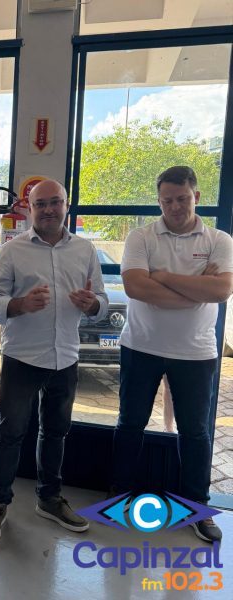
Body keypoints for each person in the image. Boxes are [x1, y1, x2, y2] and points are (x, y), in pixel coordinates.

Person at [0, 179, 108, 543]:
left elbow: (100, 302)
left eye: (55, 202)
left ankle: (49, 499)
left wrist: (93, 305)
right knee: (10, 433)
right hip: (22, 357)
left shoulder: (85, 250)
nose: (48, 209)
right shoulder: (12, 251)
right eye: (40, 204)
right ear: (30, 209)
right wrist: (20, 304)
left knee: (56, 432)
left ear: (66, 205)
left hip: (65, 357)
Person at [111, 165, 233, 544]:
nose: (175, 206)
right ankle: (119, 498)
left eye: (182, 198)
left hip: (196, 352)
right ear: (159, 200)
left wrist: (161, 277)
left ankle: (196, 507)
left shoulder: (219, 240)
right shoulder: (141, 237)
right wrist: (197, 287)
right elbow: (136, 287)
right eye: (167, 200)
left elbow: (221, 291)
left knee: (195, 432)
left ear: (196, 196)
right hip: (141, 346)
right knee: (130, 424)